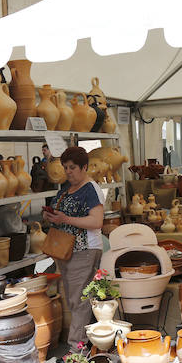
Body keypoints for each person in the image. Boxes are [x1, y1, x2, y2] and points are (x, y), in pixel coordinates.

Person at [42, 146, 104, 351]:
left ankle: (76, 349)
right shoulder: (66, 189)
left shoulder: (90, 189)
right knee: (75, 298)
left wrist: (65, 218)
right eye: (65, 167)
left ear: (84, 167)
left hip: (85, 249)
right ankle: (91, 343)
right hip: (67, 250)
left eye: (72, 167)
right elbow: (60, 214)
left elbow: (97, 221)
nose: (68, 171)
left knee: (79, 300)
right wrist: (51, 216)